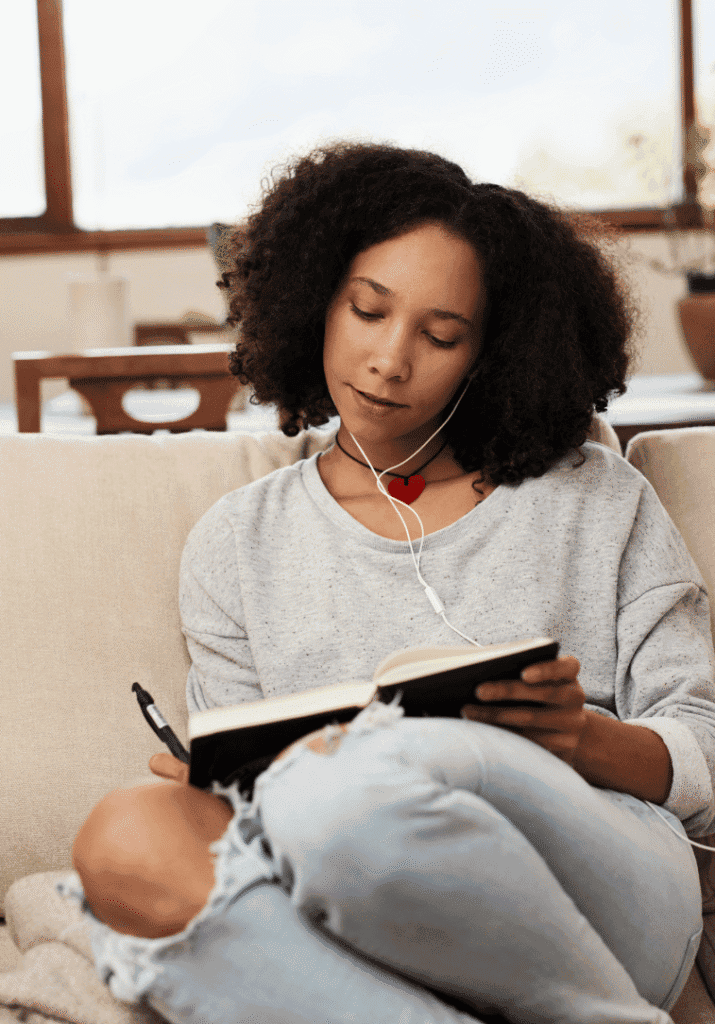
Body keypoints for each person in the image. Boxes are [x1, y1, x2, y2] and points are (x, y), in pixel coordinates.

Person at [65, 141, 715, 1024]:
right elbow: (245, 808)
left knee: (373, 765)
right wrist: (212, 786)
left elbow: (703, 746)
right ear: (315, 302)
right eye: (366, 311)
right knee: (128, 832)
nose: (388, 360)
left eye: (440, 335)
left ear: (493, 353)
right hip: (349, 895)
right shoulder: (236, 542)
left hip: (600, 882)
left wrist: (583, 741)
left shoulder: (592, 497)